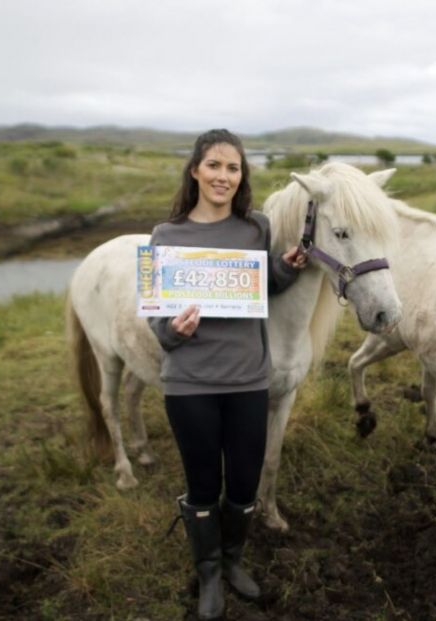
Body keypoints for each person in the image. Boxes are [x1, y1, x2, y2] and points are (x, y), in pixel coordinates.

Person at [148, 129, 306, 620]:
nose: (223, 176)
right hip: (189, 384)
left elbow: (263, 287)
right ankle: (209, 572)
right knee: (201, 485)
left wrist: (286, 268)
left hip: (247, 382)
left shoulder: (255, 229)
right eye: (214, 165)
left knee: (242, 485)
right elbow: (157, 322)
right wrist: (174, 329)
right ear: (195, 170)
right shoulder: (166, 236)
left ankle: (234, 559)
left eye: (233, 168)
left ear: (242, 177)